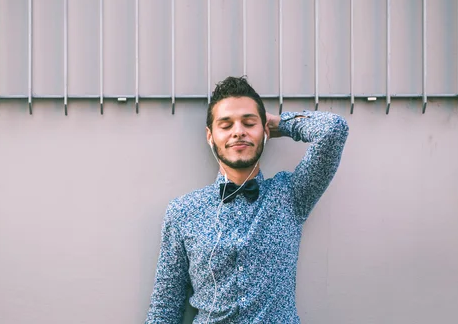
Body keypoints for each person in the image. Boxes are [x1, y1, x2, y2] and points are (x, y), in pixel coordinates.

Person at [145, 76, 349, 323]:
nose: (238, 131)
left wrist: (280, 123)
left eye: (248, 123)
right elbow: (165, 306)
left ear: (264, 131)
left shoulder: (291, 195)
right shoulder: (182, 212)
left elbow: (334, 130)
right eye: (226, 124)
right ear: (210, 136)